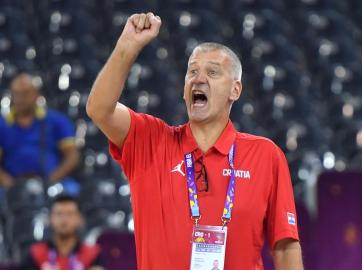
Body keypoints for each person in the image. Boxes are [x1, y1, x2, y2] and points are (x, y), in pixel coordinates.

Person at [86, 12, 303, 270]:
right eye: (192, 72)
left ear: (235, 90)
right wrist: (127, 46)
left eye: (212, 72)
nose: (199, 79)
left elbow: (285, 244)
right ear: (184, 89)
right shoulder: (151, 141)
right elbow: (99, 109)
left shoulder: (265, 154)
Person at [0, 73, 80, 195]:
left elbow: (72, 156)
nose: (21, 99)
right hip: (12, 184)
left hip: (52, 181)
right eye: (16, 94)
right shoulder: (2, 124)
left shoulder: (57, 121)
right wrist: (7, 182)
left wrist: (54, 178)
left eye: (26, 93)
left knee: (72, 192)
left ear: (37, 94)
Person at [22, 194, 105, 270]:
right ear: (50, 219)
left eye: (70, 214)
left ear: (80, 219)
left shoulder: (92, 253)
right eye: (59, 214)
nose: (64, 220)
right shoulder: (36, 253)